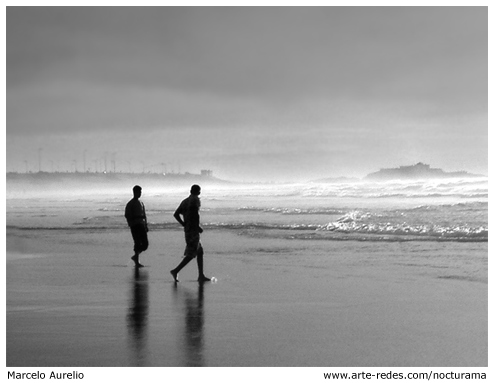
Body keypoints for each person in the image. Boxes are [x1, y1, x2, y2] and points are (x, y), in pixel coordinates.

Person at [170, 184, 210, 282]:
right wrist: (197, 227)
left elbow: (176, 214)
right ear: (198, 192)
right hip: (193, 230)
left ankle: (201, 275)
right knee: (191, 254)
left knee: (200, 251)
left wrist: (183, 223)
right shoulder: (195, 200)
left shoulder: (185, 201)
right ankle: (176, 270)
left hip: (188, 229)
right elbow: (194, 215)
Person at [125, 185, 149, 267]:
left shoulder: (141, 203)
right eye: (138, 192)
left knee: (145, 244)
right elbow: (127, 215)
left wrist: (146, 225)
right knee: (137, 243)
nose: (140, 194)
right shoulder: (130, 203)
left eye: (140, 192)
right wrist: (131, 223)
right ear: (134, 192)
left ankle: (135, 256)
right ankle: (137, 261)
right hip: (135, 225)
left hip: (141, 224)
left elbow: (144, 215)